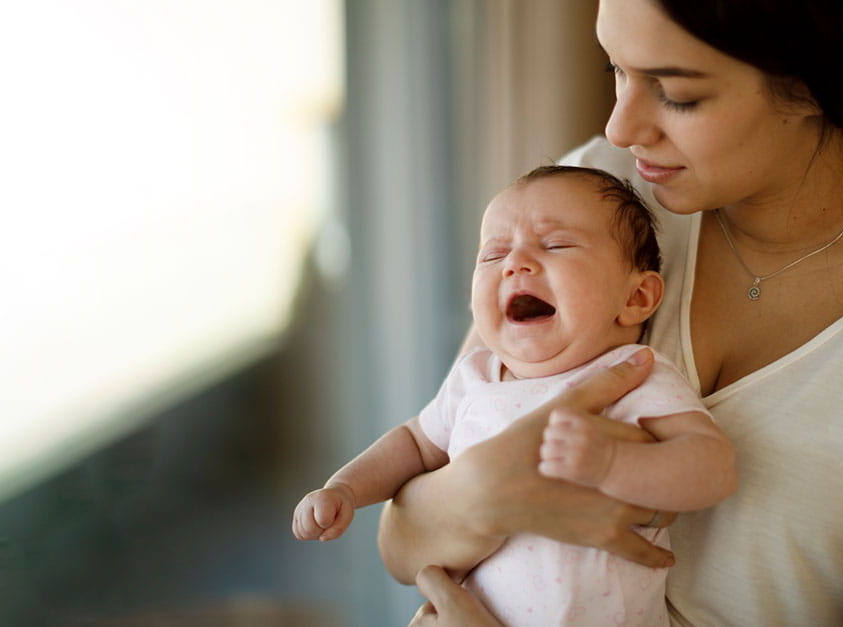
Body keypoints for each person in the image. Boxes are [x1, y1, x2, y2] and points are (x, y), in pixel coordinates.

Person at [382, 0, 843, 625]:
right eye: (615, 68)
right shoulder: (594, 203)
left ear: (810, 84)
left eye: (676, 92)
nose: (621, 126)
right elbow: (403, 537)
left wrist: (489, 500)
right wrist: (482, 492)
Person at [292, 165, 736, 626]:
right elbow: (413, 444)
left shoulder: (632, 375)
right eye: (493, 254)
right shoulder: (475, 376)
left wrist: (611, 463)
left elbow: (714, 467)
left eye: (556, 245)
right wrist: (345, 487)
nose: (515, 263)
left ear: (637, 298)